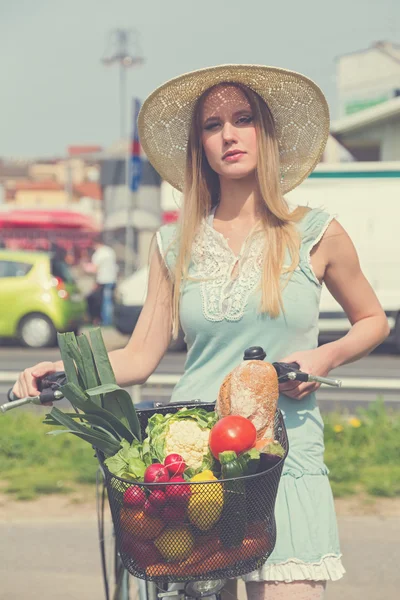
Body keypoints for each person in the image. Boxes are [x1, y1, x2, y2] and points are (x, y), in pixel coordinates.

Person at [13, 65, 389, 599]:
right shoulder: (173, 243)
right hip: (189, 468)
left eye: (243, 119)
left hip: (283, 455)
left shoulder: (315, 232)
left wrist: (324, 357)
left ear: (267, 133)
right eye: (213, 126)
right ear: (200, 145)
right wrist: (65, 369)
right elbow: (140, 356)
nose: (229, 135)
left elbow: (374, 321)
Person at [84, 233, 118, 326]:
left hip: (103, 280)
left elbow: (94, 269)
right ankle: (109, 320)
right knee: (109, 301)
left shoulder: (99, 254)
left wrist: (86, 267)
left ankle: (106, 321)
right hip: (112, 279)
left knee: (105, 302)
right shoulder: (110, 251)